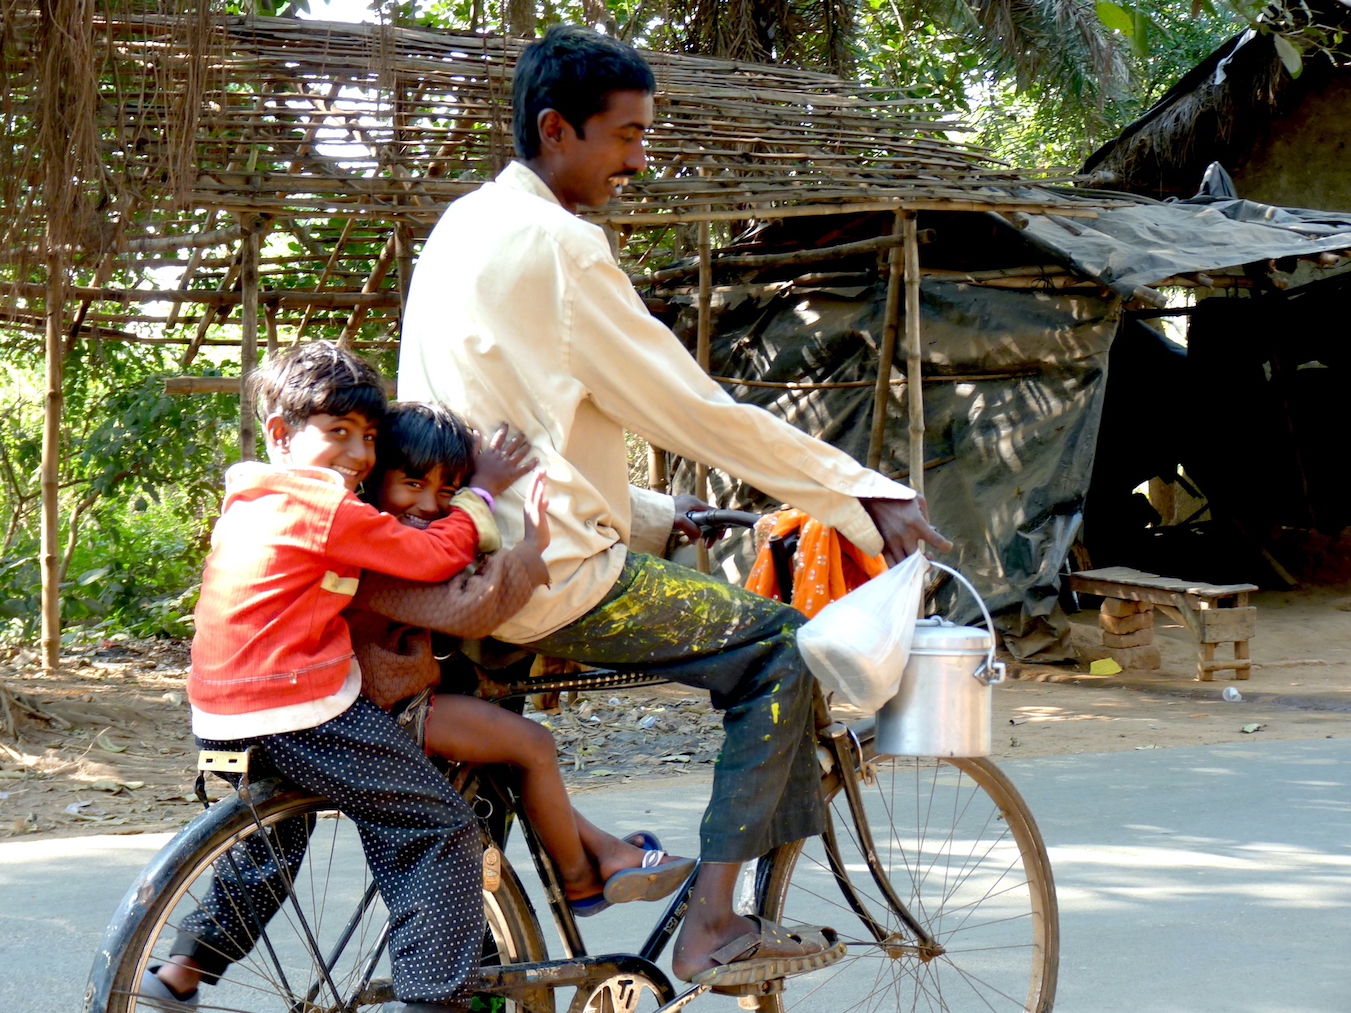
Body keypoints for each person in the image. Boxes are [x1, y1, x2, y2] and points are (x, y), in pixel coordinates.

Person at [398, 25, 952, 990]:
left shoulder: (461, 226)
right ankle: (710, 926)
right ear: (556, 129)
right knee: (785, 648)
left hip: (452, 561)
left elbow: (519, 420)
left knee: (472, 835)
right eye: (626, 136)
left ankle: (539, 924)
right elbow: (693, 409)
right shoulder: (561, 246)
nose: (639, 159)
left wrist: (653, 514)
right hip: (545, 577)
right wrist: (860, 488)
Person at [144, 342, 505, 1013]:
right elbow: (427, 555)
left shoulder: (250, 499)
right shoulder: (320, 505)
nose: (360, 454)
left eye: (367, 437)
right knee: (439, 826)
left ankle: (180, 972)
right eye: (336, 432)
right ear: (280, 434)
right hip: (298, 706)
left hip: (223, 710)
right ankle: (435, 1001)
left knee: (271, 843)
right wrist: (474, 504)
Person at [348, 401, 696, 914]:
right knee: (534, 744)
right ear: (376, 479)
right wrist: (532, 549)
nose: (428, 504)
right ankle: (579, 880)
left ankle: (608, 851)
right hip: (391, 713)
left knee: (513, 756)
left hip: (392, 701)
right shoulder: (385, 543)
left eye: (447, 491)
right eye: (413, 484)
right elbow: (470, 610)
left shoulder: (387, 528)